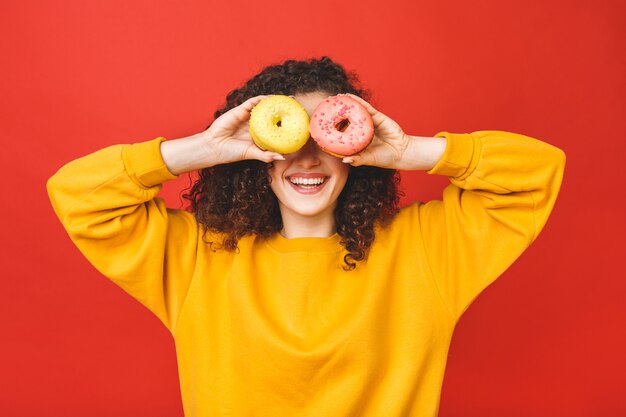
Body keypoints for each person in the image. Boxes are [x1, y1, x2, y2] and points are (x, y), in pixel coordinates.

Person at [47, 56, 566, 416]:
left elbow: (537, 172)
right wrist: (203, 148)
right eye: (288, 139)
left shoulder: (425, 249)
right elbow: (78, 195)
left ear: (353, 153)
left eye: (327, 136)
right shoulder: (198, 259)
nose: (307, 159)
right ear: (256, 156)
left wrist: (408, 151)